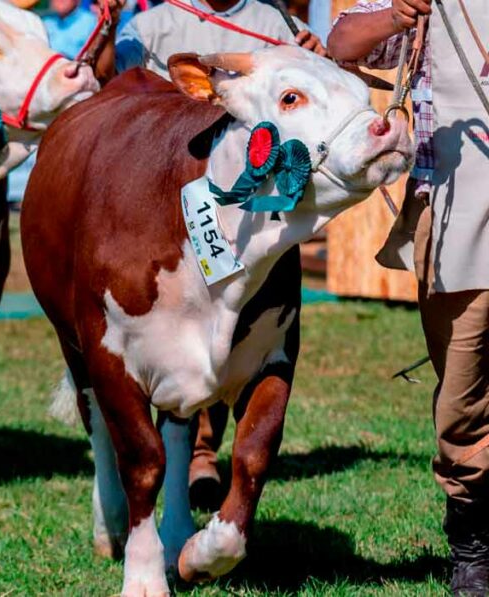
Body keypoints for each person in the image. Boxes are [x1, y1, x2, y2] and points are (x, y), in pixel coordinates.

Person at [113, 0, 325, 512]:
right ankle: (192, 452)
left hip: (255, 214)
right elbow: (127, 108)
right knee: (185, 331)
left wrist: (314, 58)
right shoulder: (148, 27)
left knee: (243, 329)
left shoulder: (275, 23)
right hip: (169, 216)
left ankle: (207, 451)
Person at [329, 2, 488, 595]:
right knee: (463, 392)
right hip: (453, 213)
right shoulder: (429, 8)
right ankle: (474, 545)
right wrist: (398, 15)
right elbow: (344, 41)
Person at [115, 0, 325, 76]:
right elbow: (106, 80)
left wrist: (319, 62)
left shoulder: (280, 25)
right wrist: (110, 22)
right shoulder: (147, 26)